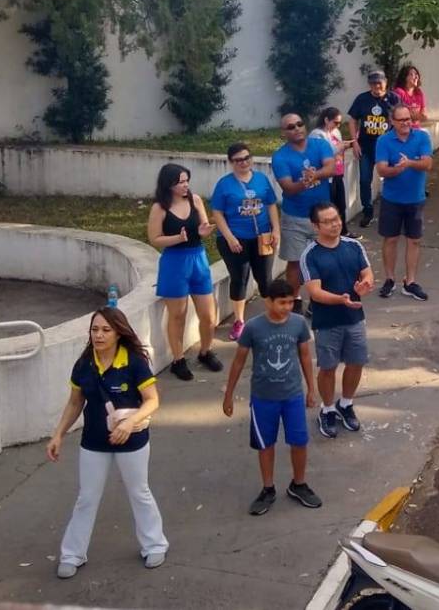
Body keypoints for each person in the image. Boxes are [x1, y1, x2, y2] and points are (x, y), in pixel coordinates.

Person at [46, 309, 167, 578]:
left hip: (132, 441)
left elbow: (152, 400)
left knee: (139, 492)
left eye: (105, 330)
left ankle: (154, 544)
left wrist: (129, 423)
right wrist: (58, 435)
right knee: (86, 498)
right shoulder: (84, 364)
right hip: (94, 442)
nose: (98, 335)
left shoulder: (134, 361)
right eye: (94, 329)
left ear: (118, 332)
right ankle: (72, 554)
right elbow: (75, 402)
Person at [222, 279, 321, 515]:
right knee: (265, 444)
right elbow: (238, 362)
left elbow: (305, 357)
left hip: (292, 395)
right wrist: (229, 394)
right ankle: (268, 488)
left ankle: (299, 483)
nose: (287, 307)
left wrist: (311, 388)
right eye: (282, 302)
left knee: (299, 441)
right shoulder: (254, 328)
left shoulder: (298, 324)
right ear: (268, 302)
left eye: (290, 302)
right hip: (263, 397)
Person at [301, 202, 375, 438]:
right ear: (316, 225)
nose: (335, 224)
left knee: (356, 362)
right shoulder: (310, 254)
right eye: (328, 221)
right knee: (328, 367)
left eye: (336, 219)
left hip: (355, 317)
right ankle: (328, 408)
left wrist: (365, 284)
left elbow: (367, 272)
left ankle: (346, 403)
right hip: (327, 321)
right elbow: (315, 291)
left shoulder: (354, 246)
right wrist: (340, 299)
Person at [147, 163, 221, 379]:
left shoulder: (195, 200)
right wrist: (177, 239)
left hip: (198, 258)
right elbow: (155, 238)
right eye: (180, 182)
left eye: (187, 180)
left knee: (208, 315)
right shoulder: (159, 208)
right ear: (169, 184)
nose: (185, 185)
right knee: (177, 315)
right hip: (174, 262)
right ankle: (178, 359)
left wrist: (203, 230)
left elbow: (203, 227)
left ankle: (205, 351)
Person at [212, 143, 281, 341]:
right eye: (238, 160)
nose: (244, 163)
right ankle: (239, 320)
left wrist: (276, 230)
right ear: (231, 162)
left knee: (265, 278)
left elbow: (271, 205)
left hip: (262, 236)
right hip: (235, 239)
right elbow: (217, 212)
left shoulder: (261, 179)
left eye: (247, 158)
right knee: (240, 277)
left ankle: (273, 317)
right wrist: (230, 237)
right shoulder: (225, 184)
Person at [271, 112, 337, 306]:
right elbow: (288, 188)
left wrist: (313, 175)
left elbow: (331, 168)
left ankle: (320, 300)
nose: (297, 128)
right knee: (295, 263)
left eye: (299, 124)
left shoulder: (320, 144)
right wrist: (306, 182)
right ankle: (294, 300)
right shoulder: (280, 157)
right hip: (295, 218)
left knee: (324, 260)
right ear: (284, 133)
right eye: (290, 127)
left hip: (322, 217)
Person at [374, 105, 433, 301]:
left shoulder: (422, 137)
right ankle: (390, 279)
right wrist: (396, 170)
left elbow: (427, 164)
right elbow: (381, 170)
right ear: (392, 122)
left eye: (408, 118)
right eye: (401, 120)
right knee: (390, 239)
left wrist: (409, 164)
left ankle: (411, 282)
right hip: (392, 199)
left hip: (415, 199)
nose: (406, 122)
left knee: (414, 240)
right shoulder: (383, 141)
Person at [346, 70, 401, 227]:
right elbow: (352, 120)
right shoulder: (362, 99)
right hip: (366, 146)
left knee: (392, 178)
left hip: (388, 147)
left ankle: (393, 210)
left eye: (379, 82)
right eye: (373, 83)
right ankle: (367, 211)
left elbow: (401, 119)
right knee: (364, 180)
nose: (376, 86)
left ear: (385, 82)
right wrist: (354, 142)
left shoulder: (393, 98)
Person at [309, 107, 351, 219]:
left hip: (338, 172)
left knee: (341, 205)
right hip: (327, 177)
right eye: (335, 122)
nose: (338, 126)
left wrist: (343, 146)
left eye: (340, 123)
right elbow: (319, 154)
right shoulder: (317, 134)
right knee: (330, 206)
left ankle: (344, 231)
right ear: (326, 120)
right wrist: (338, 148)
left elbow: (337, 148)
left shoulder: (336, 132)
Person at [393, 64, 428, 130]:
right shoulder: (399, 92)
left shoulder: (419, 93)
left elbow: (425, 116)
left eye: (416, 74)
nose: (416, 77)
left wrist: (413, 115)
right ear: (404, 77)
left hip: (416, 129)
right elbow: (400, 115)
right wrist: (416, 116)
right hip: (402, 130)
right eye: (412, 74)